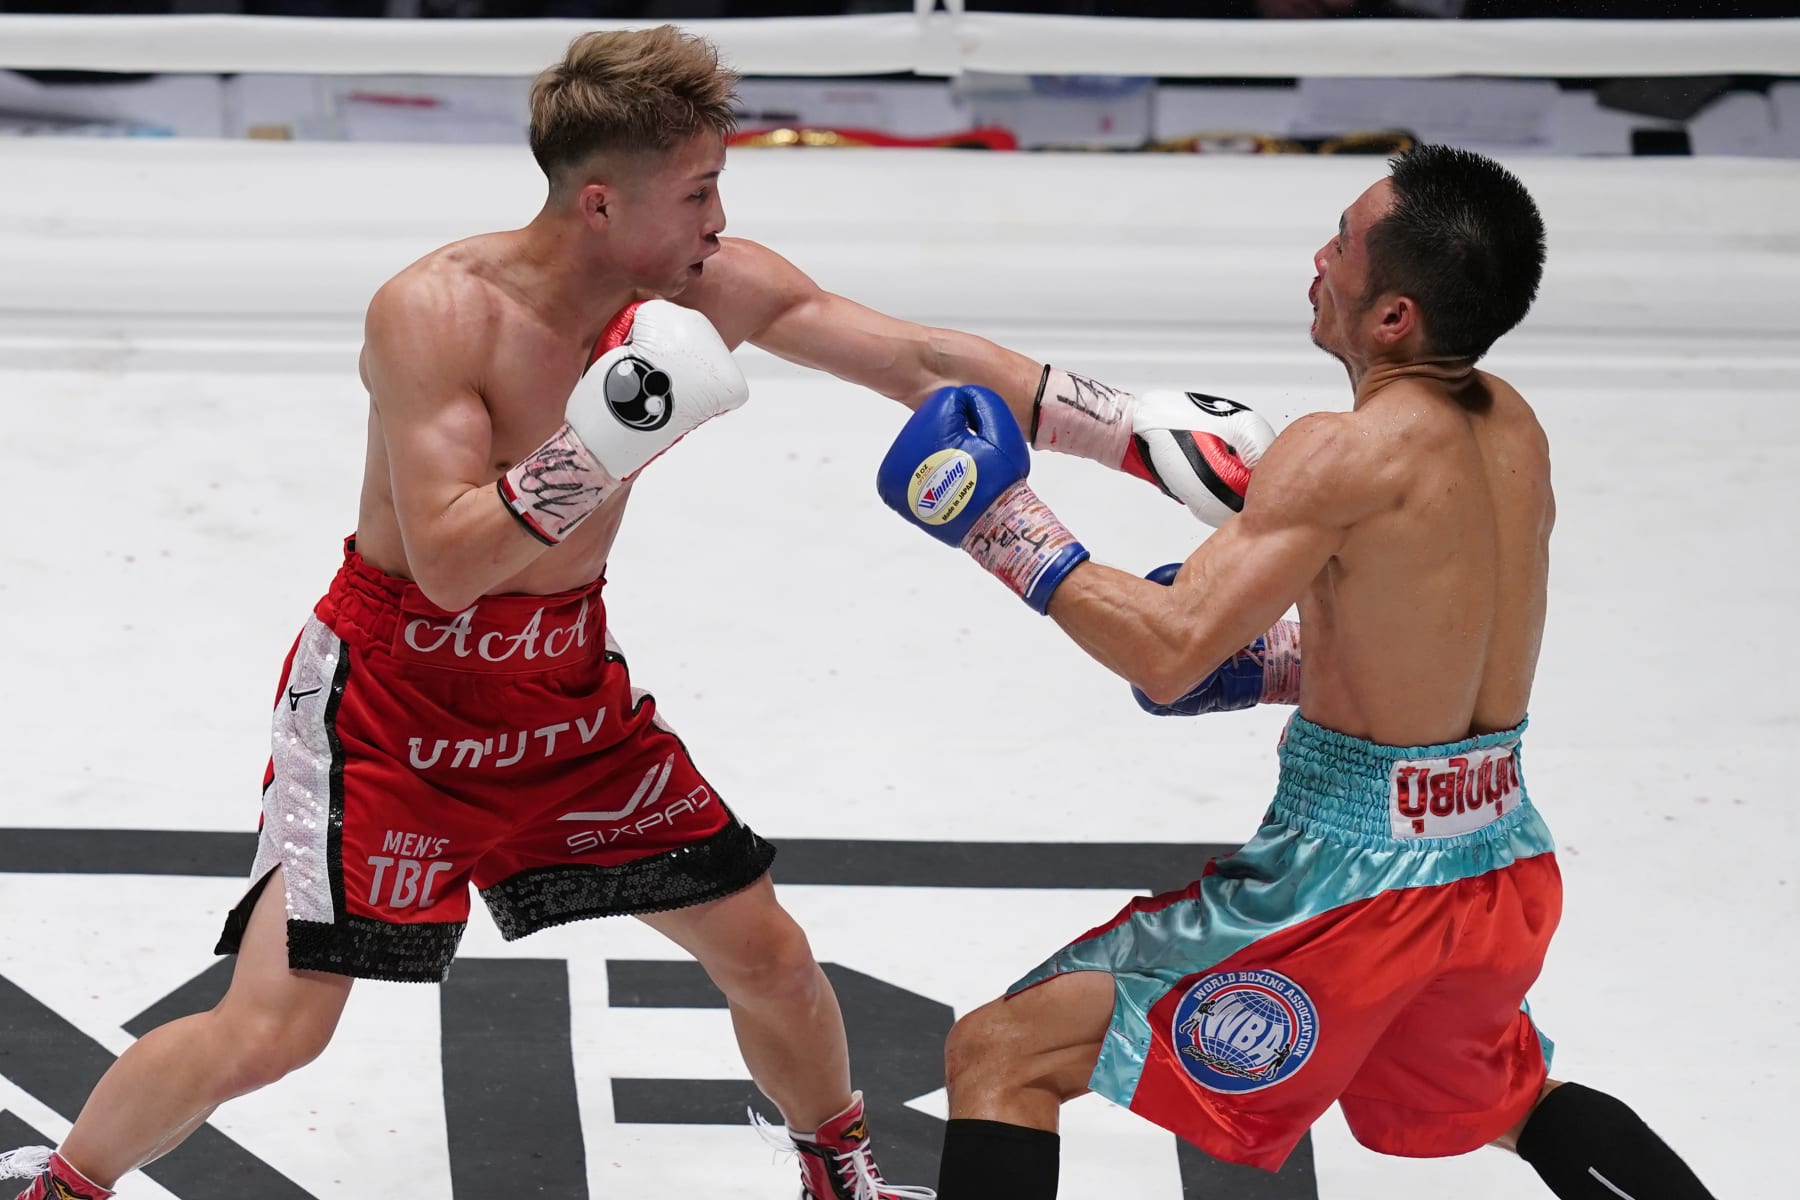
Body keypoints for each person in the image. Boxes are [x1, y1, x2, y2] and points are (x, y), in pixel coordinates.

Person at [0, 24, 1275, 1200]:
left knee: (766, 951)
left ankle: (840, 1174)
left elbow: (919, 358)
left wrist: (1124, 426)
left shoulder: (702, 282)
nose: (722, 218)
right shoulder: (434, 312)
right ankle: (64, 1189)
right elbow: (446, 563)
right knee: (274, 1028)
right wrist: (601, 442)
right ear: (601, 201)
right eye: (700, 190)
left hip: (562, 698)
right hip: (393, 705)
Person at [876, 144, 1718, 1200]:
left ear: (1395, 316)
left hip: (1352, 890)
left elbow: (1168, 652)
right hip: (1498, 863)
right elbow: (1433, 640)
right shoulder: (1514, 428)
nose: (1319, 257)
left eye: (1345, 243)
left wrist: (1001, 525)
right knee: (1516, 1098)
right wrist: (1277, 664)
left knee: (1002, 1053)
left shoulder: (1342, 451)